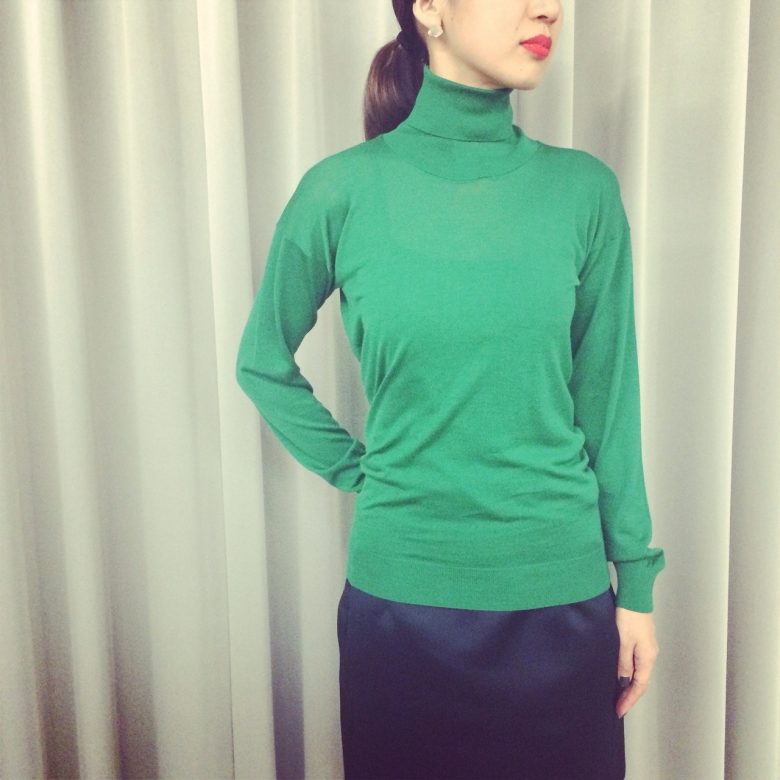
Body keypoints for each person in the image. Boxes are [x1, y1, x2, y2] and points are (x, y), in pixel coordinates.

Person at [235, 0, 667, 777]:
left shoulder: (583, 192)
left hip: (562, 608)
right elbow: (261, 360)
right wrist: (357, 469)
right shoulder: (340, 191)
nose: (549, 8)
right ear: (429, 8)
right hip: (404, 615)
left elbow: (609, 402)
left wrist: (634, 584)